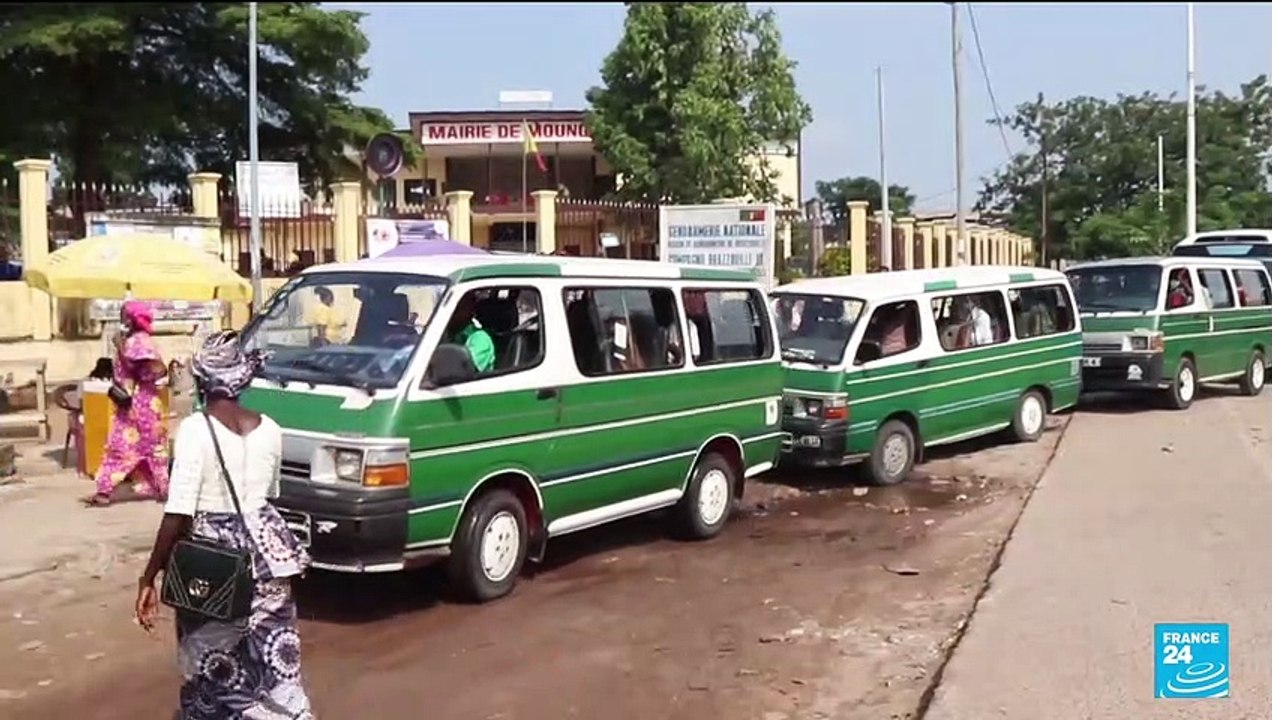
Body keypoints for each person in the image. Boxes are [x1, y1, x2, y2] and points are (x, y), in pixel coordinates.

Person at [134, 331, 313, 719]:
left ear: (203, 380)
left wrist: (150, 576)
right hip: (269, 555)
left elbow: (179, 511)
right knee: (273, 655)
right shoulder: (270, 429)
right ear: (241, 380)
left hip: (215, 563)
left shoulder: (196, 430)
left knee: (211, 661)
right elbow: (269, 493)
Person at [85, 301, 169, 507]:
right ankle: (162, 489)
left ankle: (105, 491)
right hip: (140, 403)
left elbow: (156, 368)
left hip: (139, 404)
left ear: (131, 319)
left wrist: (121, 349)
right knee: (150, 448)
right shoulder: (137, 340)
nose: (121, 320)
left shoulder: (139, 342)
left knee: (124, 448)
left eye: (124, 316)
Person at [445, 293, 495, 373]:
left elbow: (460, 371)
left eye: (457, 308)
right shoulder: (442, 335)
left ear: (470, 310)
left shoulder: (480, 338)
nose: (450, 313)